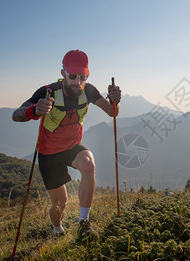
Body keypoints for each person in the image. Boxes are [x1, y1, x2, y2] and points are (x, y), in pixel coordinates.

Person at [12, 49, 121, 242]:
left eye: (83, 76)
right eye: (73, 76)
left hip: (72, 147)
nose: (78, 82)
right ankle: (57, 228)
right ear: (63, 73)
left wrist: (116, 101)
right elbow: (16, 114)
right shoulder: (47, 91)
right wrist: (34, 110)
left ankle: (83, 223)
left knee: (89, 165)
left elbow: (112, 112)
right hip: (49, 154)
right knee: (60, 204)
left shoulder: (88, 90)